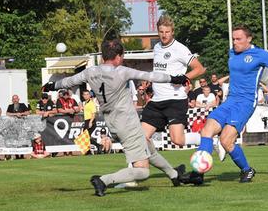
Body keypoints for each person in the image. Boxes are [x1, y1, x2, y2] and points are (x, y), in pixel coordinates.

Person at [42, 39, 187, 197]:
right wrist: (175, 79)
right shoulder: (122, 71)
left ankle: (174, 175)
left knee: (148, 147)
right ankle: (103, 180)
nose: (122, 59)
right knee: (143, 171)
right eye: (122, 56)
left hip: (111, 122)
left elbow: (69, 81)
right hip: (127, 123)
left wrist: (51, 86)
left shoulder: (90, 72)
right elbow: (151, 75)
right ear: (118, 57)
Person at [181, 25, 268, 185]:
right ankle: (198, 174)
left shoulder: (260, 54)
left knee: (226, 140)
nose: (235, 42)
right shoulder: (232, 52)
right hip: (230, 100)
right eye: (233, 39)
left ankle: (247, 170)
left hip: (245, 103)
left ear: (249, 39)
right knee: (206, 130)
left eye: (238, 39)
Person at [141, 15, 206, 148]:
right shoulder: (157, 47)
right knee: (141, 138)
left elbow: (199, 69)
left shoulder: (180, 49)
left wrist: (184, 78)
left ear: (172, 32)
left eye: (167, 32)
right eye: (161, 32)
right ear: (158, 31)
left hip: (175, 100)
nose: (164, 35)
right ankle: (137, 168)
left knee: (177, 140)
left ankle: (210, 141)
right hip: (157, 100)